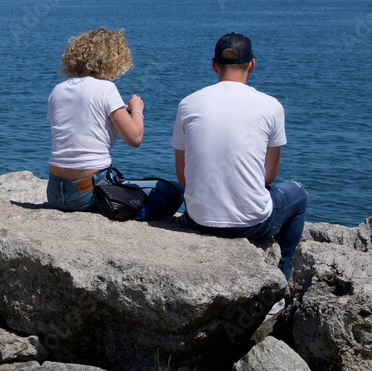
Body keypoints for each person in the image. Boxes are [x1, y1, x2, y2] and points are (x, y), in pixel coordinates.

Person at [170, 33, 306, 281]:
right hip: (253, 224)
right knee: (298, 194)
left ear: (214, 65)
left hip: (198, 219)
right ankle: (281, 278)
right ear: (252, 65)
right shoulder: (271, 106)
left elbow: (182, 177)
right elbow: (269, 176)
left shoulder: (187, 104)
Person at [47, 28, 181, 215]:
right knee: (173, 190)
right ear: (113, 60)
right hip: (89, 194)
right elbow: (134, 139)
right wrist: (137, 110)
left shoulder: (58, 90)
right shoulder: (106, 88)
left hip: (54, 192)